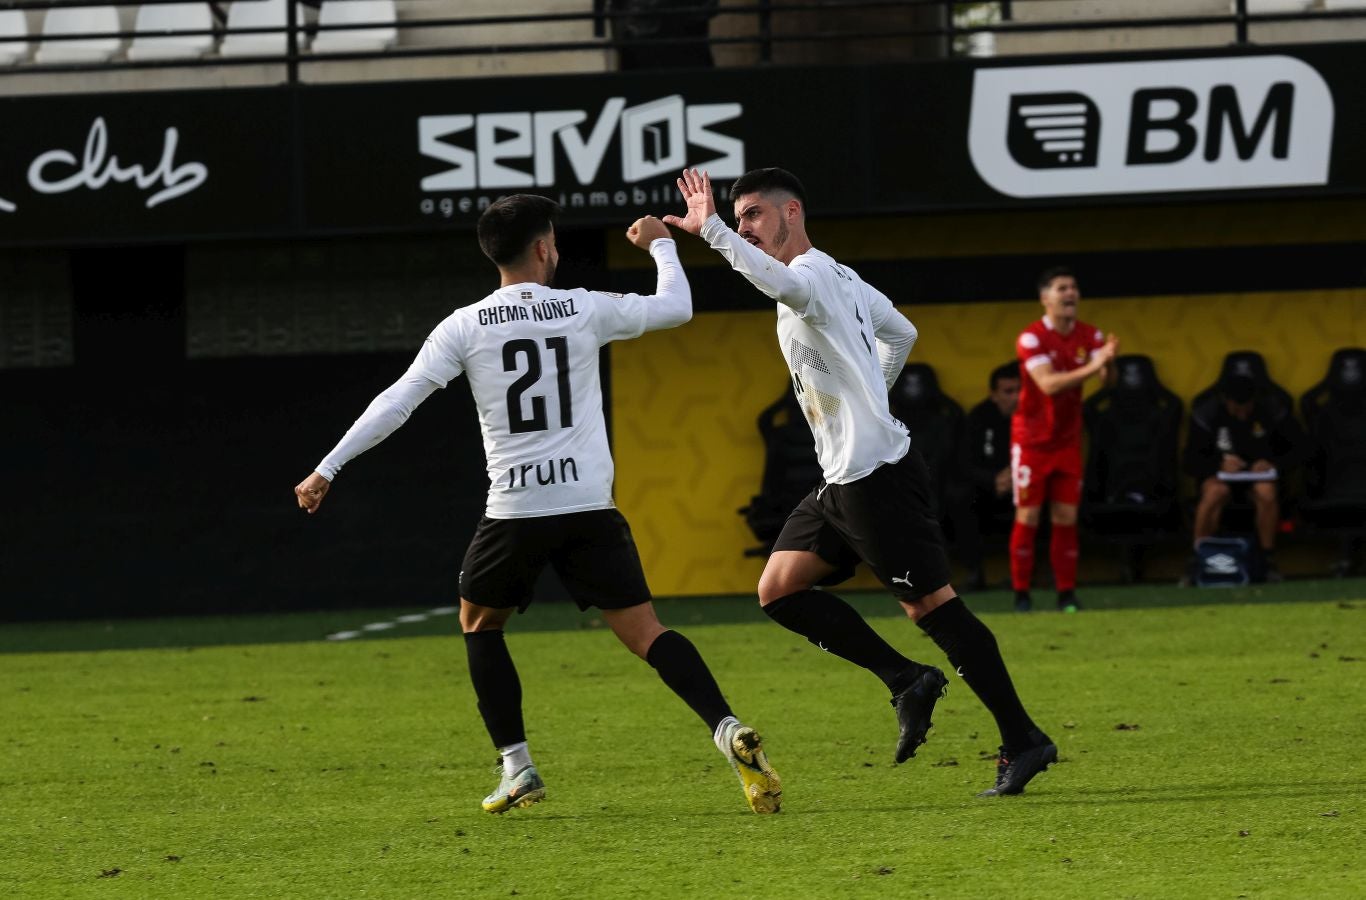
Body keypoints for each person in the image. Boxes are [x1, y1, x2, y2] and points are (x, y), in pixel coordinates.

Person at [293, 196, 781, 815]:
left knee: (479, 622)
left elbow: (398, 401)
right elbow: (677, 307)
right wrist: (661, 243)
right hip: (588, 506)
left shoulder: (463, 325)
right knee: (646, 633)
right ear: (545, 248)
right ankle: (725, 727)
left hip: (517, 509)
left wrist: (327, 466)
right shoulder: (581, 307)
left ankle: (518, 767)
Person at [664, 167, 1056, 797]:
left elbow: (780, 281)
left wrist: (708, 230)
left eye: (754, 216)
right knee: (779, 590)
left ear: (792, 210)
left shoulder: (814, 277)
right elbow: (901, 332)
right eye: (738, 221)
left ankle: (1024, 738)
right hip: (844, 478)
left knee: (932, 606)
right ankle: (907, 680)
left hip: (877, 478)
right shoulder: (840, 275)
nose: (747, 229)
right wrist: (869, 393)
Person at [1010, 267, 1118, 613]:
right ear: (1046, 298)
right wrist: (1095, 364)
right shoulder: (1031, 338)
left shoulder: (1090, 335)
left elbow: (1107, 382)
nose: (1071, 293)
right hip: (1032, 441)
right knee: (1028, 517)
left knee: (1065, 516)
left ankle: (1066, 594)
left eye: (1073, 287)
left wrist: (1109, 363)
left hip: (1068, 440)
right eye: (1062, 288)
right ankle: (1022, 595)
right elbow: (1049, 384)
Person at [1184, 373, 1291, 583]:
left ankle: (1268, 560)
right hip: (1220, 478)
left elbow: (1299, 449)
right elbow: (1189, 460)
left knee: (1266, 491)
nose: (1242, 414)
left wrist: (1272, 463)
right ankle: (1197, 558)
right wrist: (1217, 465)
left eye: (1247, 408)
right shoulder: (1207, 413)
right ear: (1226, 400)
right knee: (1215, 491)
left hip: (1257, 479)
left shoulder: (1271, 410)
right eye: (1236, 408)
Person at [959, 361, 1022, 590]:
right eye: (1008, 392)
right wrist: (992, 479)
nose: (1016, 397)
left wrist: (1016, 475)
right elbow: (964, 463)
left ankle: (1024, 574)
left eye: (1020, 390)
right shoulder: (979, 417)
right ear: (994, 394)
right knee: (962, 498)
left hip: (1025, 485)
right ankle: (975, 574)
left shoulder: (1036, 415)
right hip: (989, 488)